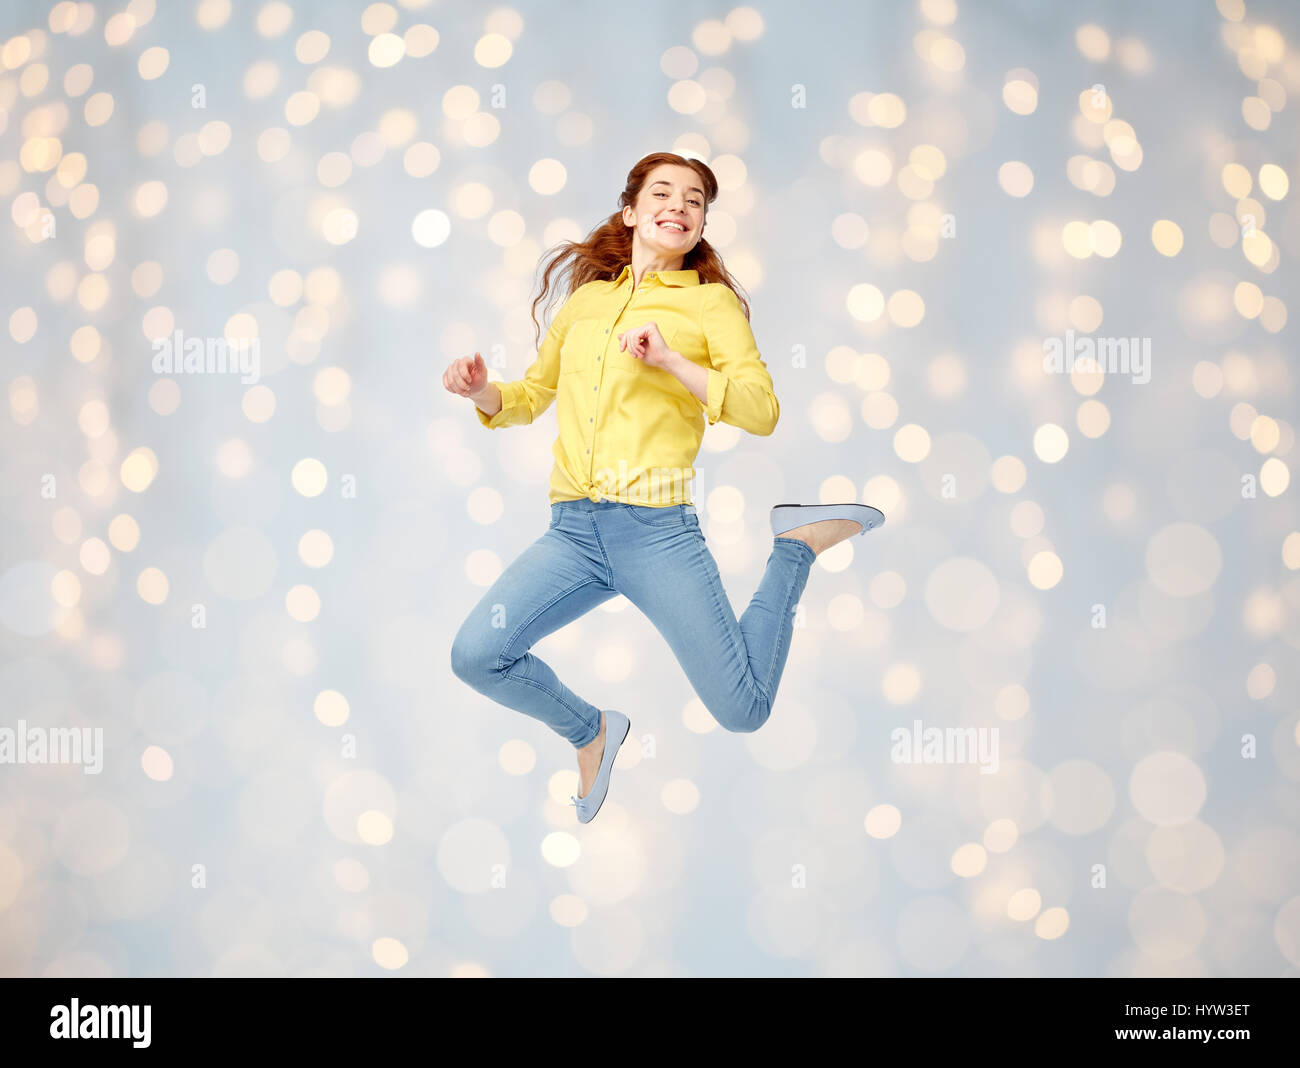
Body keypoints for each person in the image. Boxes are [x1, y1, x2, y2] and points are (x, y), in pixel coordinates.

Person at [445, 152, 883, 824]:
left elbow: (761, 411)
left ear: (701, 224)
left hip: (656, 536)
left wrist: (672, 360)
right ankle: (590, 731)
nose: (679, 206)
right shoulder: (588, 302)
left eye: (695, 201)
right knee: (477, 655)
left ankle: (793, 547)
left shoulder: (710, 305)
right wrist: (483, 391)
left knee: (743, 710)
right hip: (573, 535)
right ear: (630, 211)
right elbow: (532, 394)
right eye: (663, 193)